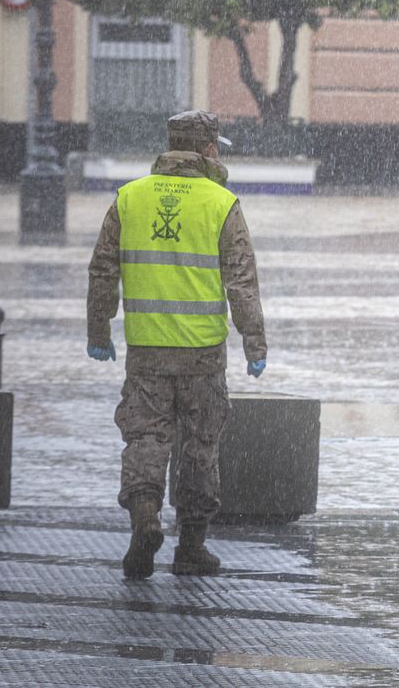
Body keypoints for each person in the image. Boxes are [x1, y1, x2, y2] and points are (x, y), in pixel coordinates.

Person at [86, 110, 267, 580]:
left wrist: (99, 331)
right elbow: (242, 282)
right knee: (198, 446)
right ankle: (191, 547)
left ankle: (145, 518)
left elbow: (103, 270)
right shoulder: (221, 202)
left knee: (146, 437)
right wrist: (254, 342)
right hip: (202, 355)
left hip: (146, 351)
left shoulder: (130, 198)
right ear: (208, 149)